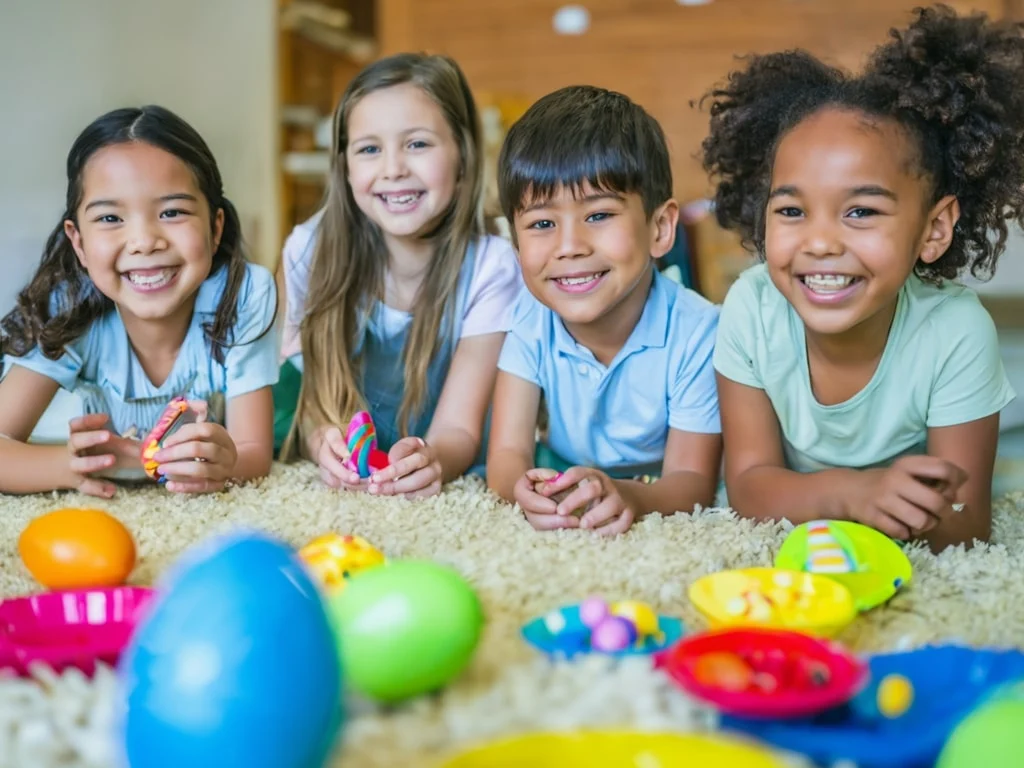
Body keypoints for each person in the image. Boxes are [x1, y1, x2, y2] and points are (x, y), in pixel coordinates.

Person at [703, 5, 1023, 550]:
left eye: (861, 212)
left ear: (935, 228)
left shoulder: (956, 330)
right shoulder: (751, 307)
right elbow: (750, 489)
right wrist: (853, 494)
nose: (821, 243)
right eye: (791, 211)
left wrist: (878, 502)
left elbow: (966, 526)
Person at [0, 105, 278, 497]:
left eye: (172, 211)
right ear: (77, 241)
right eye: (111, 219)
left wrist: (225, 463)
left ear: (216, 228)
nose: (145, 241)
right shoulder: (69, 307)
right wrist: (73, 465)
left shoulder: (243, 294)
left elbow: (253, 452)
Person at [277, 53, 521, 499]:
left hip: (454, 460)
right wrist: (321, 442)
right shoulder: (306, 251)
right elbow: (304, 393)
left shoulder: (494, 263)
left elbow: (459, 428)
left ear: (464, 155)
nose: (392, 169)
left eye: (418, 144)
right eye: (369, 149)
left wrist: (433, 460)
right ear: (345, 166)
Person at [487, 85, 723, 536]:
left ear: (659, 227)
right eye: (541, 224)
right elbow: (506, 455)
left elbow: (692, 484)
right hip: (563, 470)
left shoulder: (699, 331)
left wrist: (628, 494)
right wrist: (522, 489)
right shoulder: (530, 319)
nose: (570, 247)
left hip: (654, 488)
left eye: (598, 215)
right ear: (516, 246)